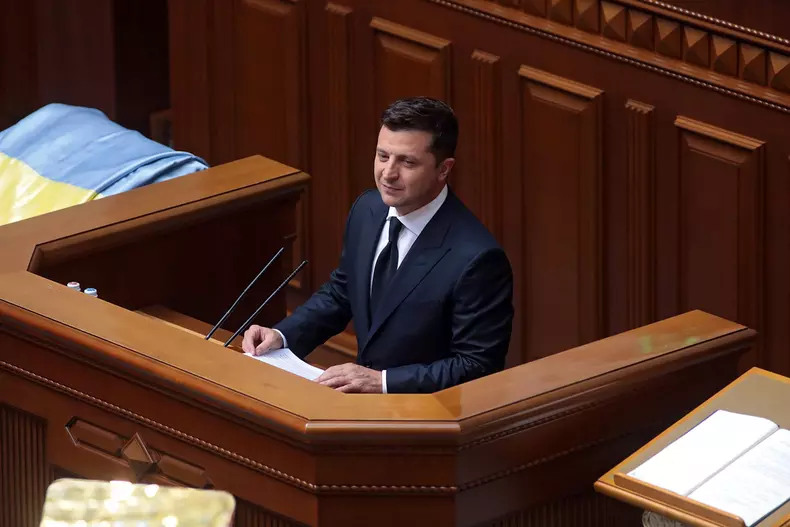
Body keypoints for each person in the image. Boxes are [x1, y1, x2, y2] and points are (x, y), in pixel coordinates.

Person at [242, 97, 514, 394]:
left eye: (407, 162)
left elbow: (476, 365)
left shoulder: (477, 258)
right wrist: (282, 336)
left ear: (444, 169)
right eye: (383, 156)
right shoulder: (368, 209)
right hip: (360, 405)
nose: (388, 173)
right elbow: (342, 293)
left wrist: (383, 382)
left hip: (423, 414)